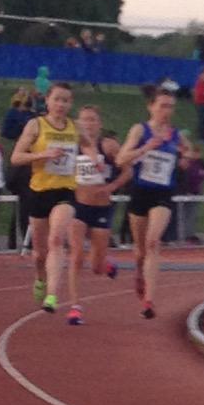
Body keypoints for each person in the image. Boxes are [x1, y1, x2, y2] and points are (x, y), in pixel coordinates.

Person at [11, 83, 98, 312]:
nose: (61, 105)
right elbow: (16, 157)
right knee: (40, 253)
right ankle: (41, 278)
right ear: (47, 101)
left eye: (66, 100)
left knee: (57, 239)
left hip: (65, 191)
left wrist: (93, 158)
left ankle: (52, 295)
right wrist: (43, 154)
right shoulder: (36, 125)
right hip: (39, 192)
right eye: (57, 99)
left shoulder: (75, 126)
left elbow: (88, 145)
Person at [116, 87, 190, 319]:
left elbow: (190, 153)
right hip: (140, 191)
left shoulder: (177, 135)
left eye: (170, 106)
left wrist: (186, 159)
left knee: (153, 241)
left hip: (163, 194)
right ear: (151, 106)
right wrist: (146, 148)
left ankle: (148, 300)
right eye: (162, 105)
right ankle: (139, 270)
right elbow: (120, 158)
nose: (167, 111)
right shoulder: (140, 129)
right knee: (140, 251)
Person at [66, 106, 131, 325]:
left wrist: (112, 186)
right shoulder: (73, 146)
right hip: (78, 206)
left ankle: (107, 265)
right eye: (84, 120)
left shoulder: (109, 145)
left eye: (92, 120)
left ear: (99, 124)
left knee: (96, 266)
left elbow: (128, 170)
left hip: (102, 208)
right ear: (78, 123)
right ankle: (75, 307)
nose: (88, 124)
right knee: (76, 255)